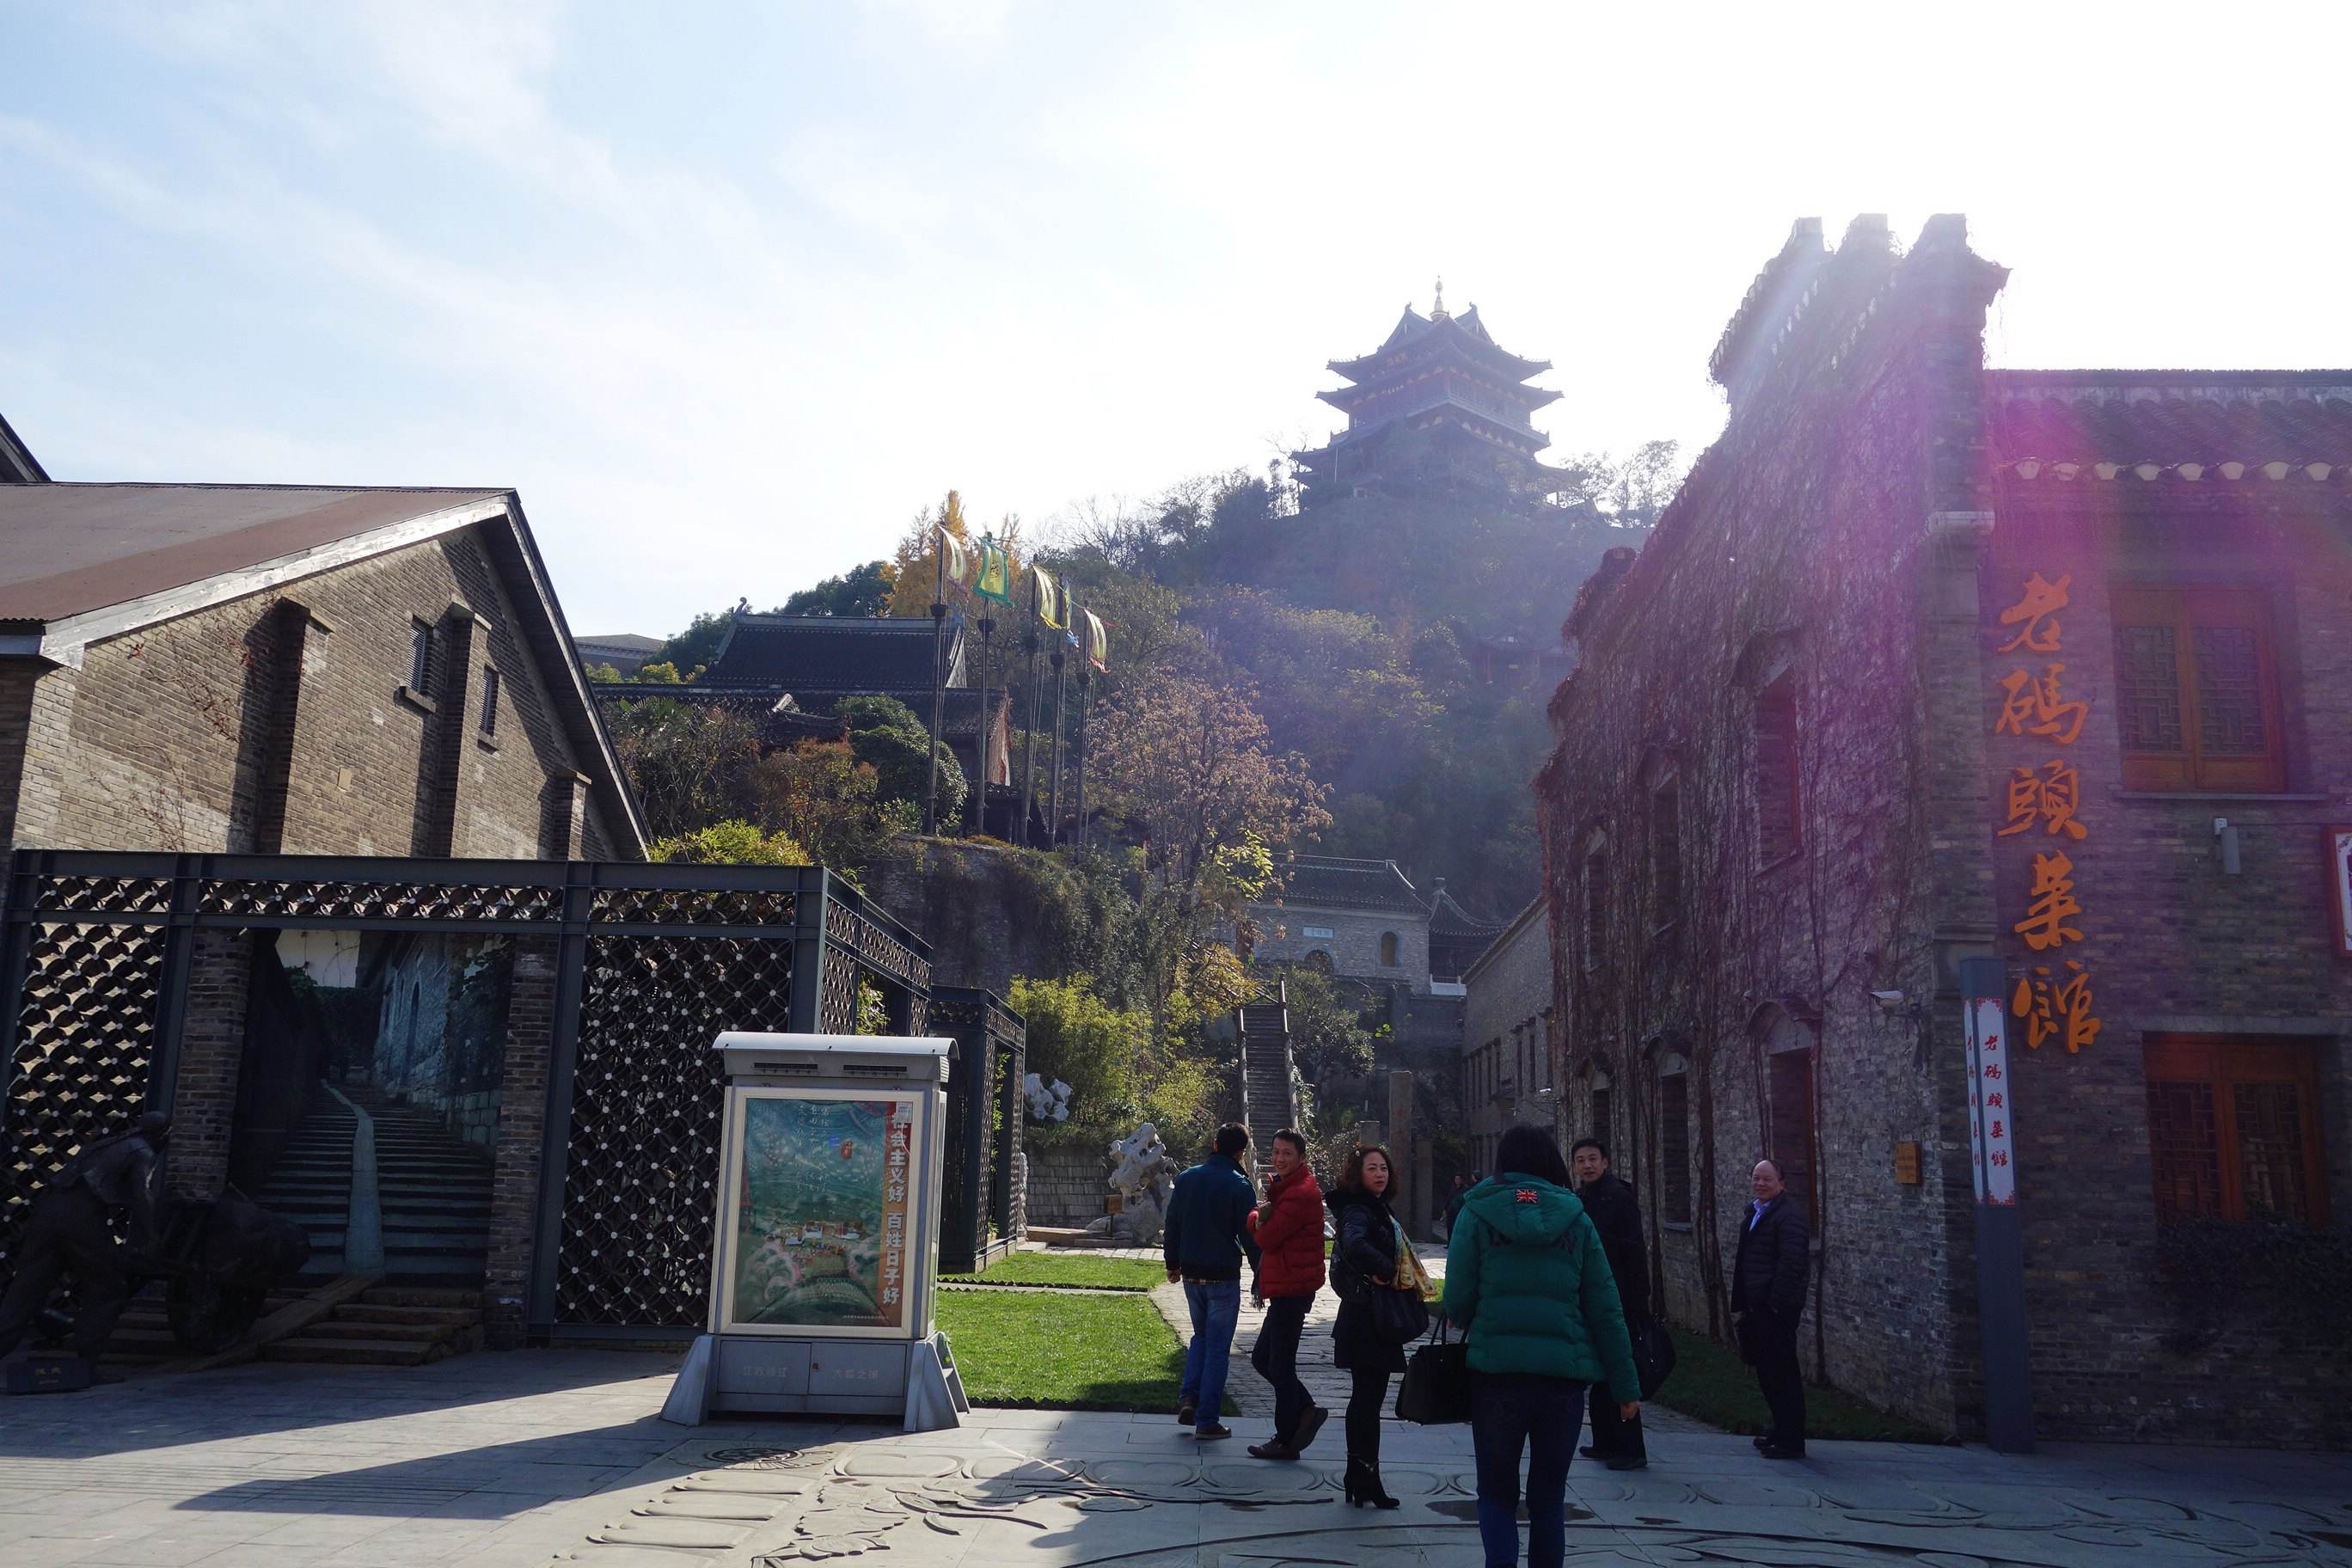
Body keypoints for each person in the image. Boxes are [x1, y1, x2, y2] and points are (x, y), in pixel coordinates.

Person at [1444, 1124, 1640, 1568]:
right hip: (1562, 1380)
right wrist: (1626, 1387)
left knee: (1495, 1493)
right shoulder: (1577, 1217)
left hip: (1496, 1376)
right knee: (1549, 1498)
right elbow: (1605, 1307)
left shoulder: (1476, 1213)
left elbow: (1455, 1298)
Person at [0, 1112, 174, 1368]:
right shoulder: (142, 1152)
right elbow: (142, 1196)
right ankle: (85, 1360)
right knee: (109, 1287)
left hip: (50, 1208)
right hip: (80, 1214)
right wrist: (152, 1237)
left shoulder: (105, 1144)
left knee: (26, 1287)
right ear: (163, 1135)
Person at [1326, 1142, 1434, 1509]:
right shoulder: (1359, 1210)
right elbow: (1354, 1243)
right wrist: (1387, 1270)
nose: (1380, 1174)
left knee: (1366, 1402)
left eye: (1384, 1168)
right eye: (1372, 1168)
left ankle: (1359, 1475)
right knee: (1367, 1403)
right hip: (1367, 1319)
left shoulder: (1375, 1208)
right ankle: (1364, 1477)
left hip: (1369, 1318)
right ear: (1358, 1174)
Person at [1163, 1123, 1260, 1441]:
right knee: (1218, 1348)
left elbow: (1173, 1224)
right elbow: (1250, 1236)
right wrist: (1261, 1274)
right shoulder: (1240, 1185)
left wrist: (1172, 1263)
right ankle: (1207, 1420)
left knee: (1200, 1338)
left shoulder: (1187, 1177)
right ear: (1240, 1152)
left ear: (1215, 1144)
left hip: (1191, 1273)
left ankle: (1188, 1397)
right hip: (1223, 1276)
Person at [1244, 1128, 1327, 1460]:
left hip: (1293, 1288)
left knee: (1279, 1364)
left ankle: (1285, 1437)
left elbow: (1266, 1237)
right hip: (1287, 1286)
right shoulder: (1286, 1188)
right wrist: (1261, 1214)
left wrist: (1254, 1217)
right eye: (1276, 1152)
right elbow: (1265, 1220)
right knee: (1263, 1359)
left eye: (1287, 1154)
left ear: (1301, 1158)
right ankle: (1306, 1409)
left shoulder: (1299, 1193)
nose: (1279, 1159)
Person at [1571, 1136, 1650, 1471]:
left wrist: (1636, 1302)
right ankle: (1603, 1441)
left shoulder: (1620, 1198)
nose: (1587, 1165)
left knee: (1620, 1371)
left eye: (1593, 1159)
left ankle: (1631, 1448)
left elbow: (1634, 1252)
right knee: (1599, 1371)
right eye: (1580, 1160)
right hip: (1590, 1294)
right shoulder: (1579, 1200)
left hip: (1619, 1296)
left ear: (1605, 1163)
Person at [1733, 1157, 1810, 1459]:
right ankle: (1779, 1429)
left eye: (1767, 1179)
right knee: (1767, 1372)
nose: (1760, 1183)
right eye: (1756, 1178)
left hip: (1775, 1309)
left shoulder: (1788, 1217)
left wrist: (1776, 1304)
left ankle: (1792, 1439)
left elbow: (1792, 1264)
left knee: (1783, 1373)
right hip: (1757, 1306)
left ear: (1782, 1183)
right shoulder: (1756, 1211)